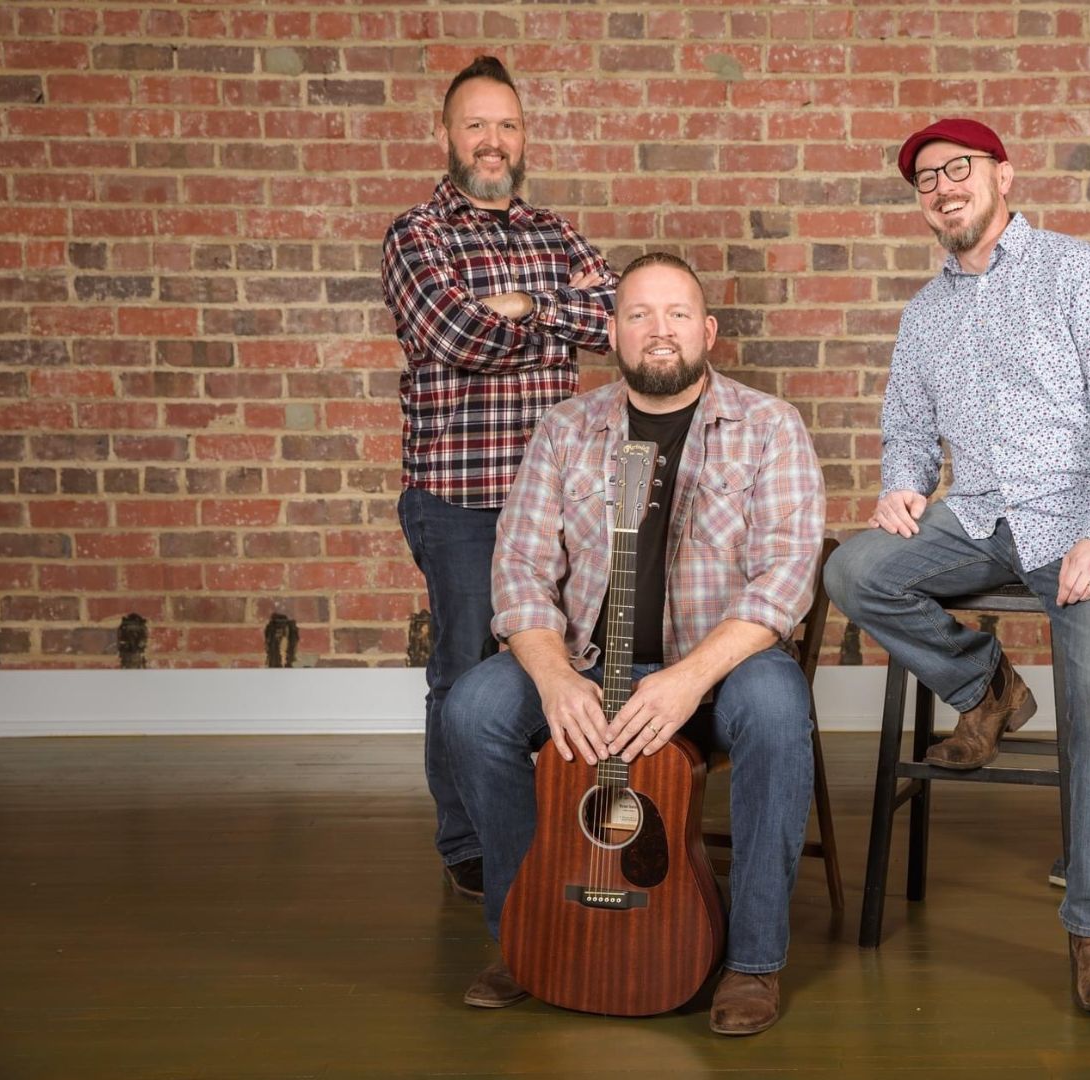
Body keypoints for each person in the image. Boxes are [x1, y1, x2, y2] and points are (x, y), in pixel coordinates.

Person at [441, 253, 825, 1036]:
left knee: (779, 711)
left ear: (707, 330)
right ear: (610, 331)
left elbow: (785, 580)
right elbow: (518, 571)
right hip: (588, 665)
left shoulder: (768, 426)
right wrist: (551, 678)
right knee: (474, 708)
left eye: (678, 314)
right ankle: (525, 934)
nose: (660, 331)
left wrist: (689, 679)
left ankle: (754, 961)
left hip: (716, 674)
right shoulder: (565, 429)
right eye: (640, 315)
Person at [823, 119, 1090, 1014]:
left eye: (957, 169)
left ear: (1002, 175)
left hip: (1082, 520)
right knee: (854, 573)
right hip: (977, 516)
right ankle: (990, 687)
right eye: (924, 179)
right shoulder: (924, 313)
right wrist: (899, 488)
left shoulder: (1077, 271)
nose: (941, 187)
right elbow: (906, 429)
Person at [380, 55, 617, 902]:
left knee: (557, 663)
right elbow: (454, 339)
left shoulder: (554, 230)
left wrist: (527, 304)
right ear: (447, 135)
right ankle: (471, 841)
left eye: (507, 125)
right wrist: (559, 306)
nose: (493, 141)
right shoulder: (417, 236)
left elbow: (619, 322)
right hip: (461, 500)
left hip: (558, 504)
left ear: (523, 139)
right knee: (466, 673)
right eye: (477, 124)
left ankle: (537, 821)